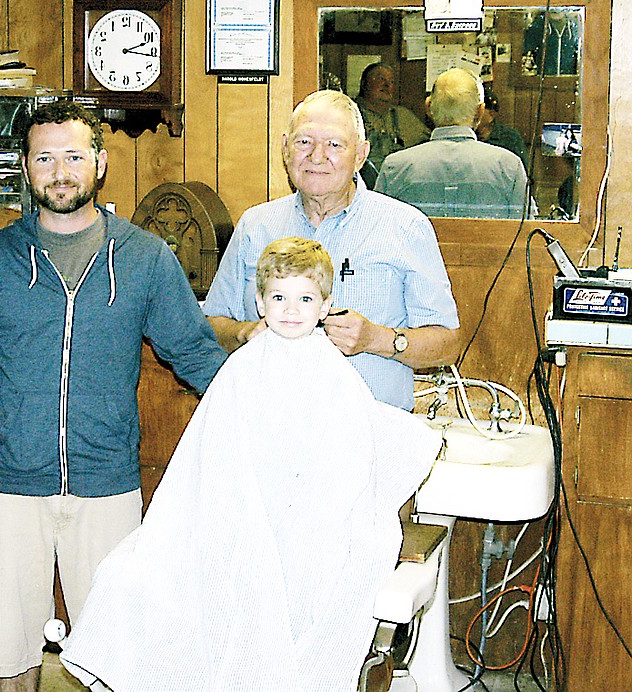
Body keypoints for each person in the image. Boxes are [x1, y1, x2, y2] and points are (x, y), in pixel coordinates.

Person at [60, 237, 442, 691]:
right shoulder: (242, 368)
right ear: (260, 302)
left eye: (305, 299)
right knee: (132, 580)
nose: (291, 310)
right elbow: (213, 453)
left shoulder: (334, 371)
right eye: (279, 298)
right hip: (241, 512)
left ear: (325, 307)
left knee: (311, 592)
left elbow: (347, 458)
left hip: (310, 524)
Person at [0, 100, 227, 691]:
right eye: (45, 157)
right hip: (7, 485)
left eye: (73, 155)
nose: (60, 170)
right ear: (26, 166)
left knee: (114, 653)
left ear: (99, 162)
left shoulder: (145, 257)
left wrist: (265, 404)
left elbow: (196, 355)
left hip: (106, 485)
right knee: (6, 646)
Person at [202, 89, 460, 411]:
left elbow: (447, 344)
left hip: (372, 433)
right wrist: (246, 334)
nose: (317, 156)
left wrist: (374, 339)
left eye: (335, 145)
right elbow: (212, 324)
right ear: (285, 149)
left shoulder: (404, 227)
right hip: (271, 426)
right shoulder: (256, 225)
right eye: (304, 142)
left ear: (361, 155)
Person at [375, 67, 532, 219]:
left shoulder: (395, 167)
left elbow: (377, 229)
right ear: (480, 111)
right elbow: (527, 231)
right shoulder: (508, 166)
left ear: (429, 108)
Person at [354, 62, 430, 182]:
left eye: (392, 82)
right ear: (364, 84)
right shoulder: (351, 114)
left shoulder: (402, 115)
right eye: (380, 79)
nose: (387, 85)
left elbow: (429, 145)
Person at [476, 89, 529, 170]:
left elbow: (522, 169)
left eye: (479, 110)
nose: (475, 114)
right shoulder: (467, 135)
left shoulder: (510, 137)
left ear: (491, 114)